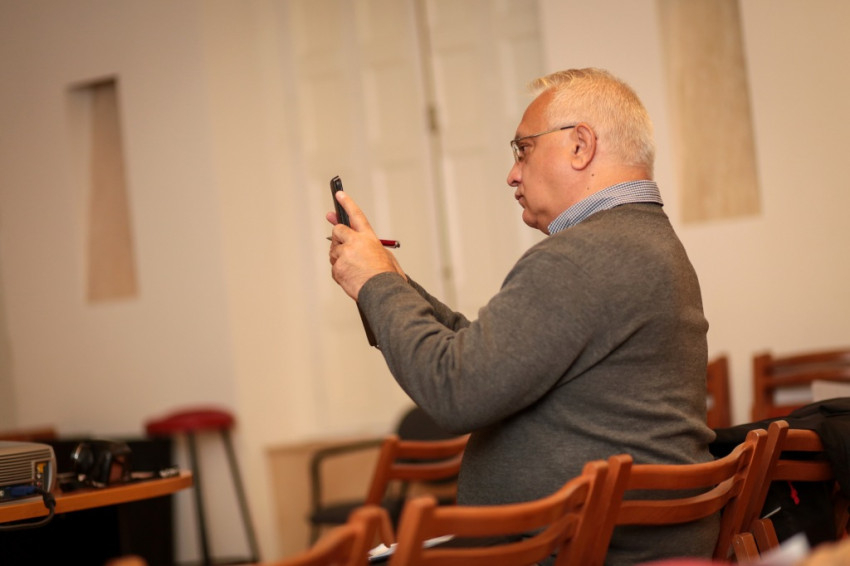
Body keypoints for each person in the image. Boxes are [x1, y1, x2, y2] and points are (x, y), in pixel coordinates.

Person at [327, 68, 715, 565]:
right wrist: (390, 280)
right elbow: (483, 357)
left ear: (580, 145)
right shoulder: (640, 239)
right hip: (619, 542)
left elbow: (455, 389)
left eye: (523, 150)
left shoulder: (581, 256)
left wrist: (375, 284)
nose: (512, 173)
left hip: (580, 552)